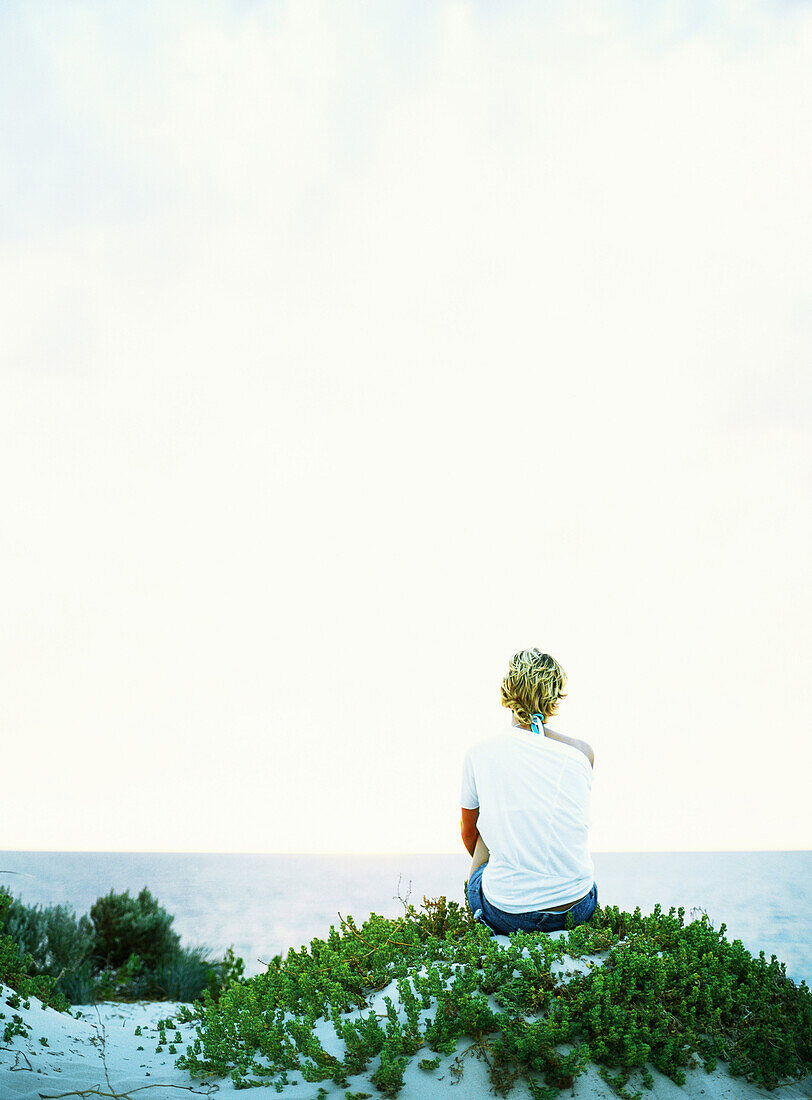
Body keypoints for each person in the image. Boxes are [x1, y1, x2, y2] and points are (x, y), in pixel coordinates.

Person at [460, 648, 598, 934]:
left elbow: (468, 834)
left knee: (484, 826)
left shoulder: (479, 754)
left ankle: (484, 918)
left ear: (506, 691)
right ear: (555, 695)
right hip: (577, 908)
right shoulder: (583, 753)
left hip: (509, 913)